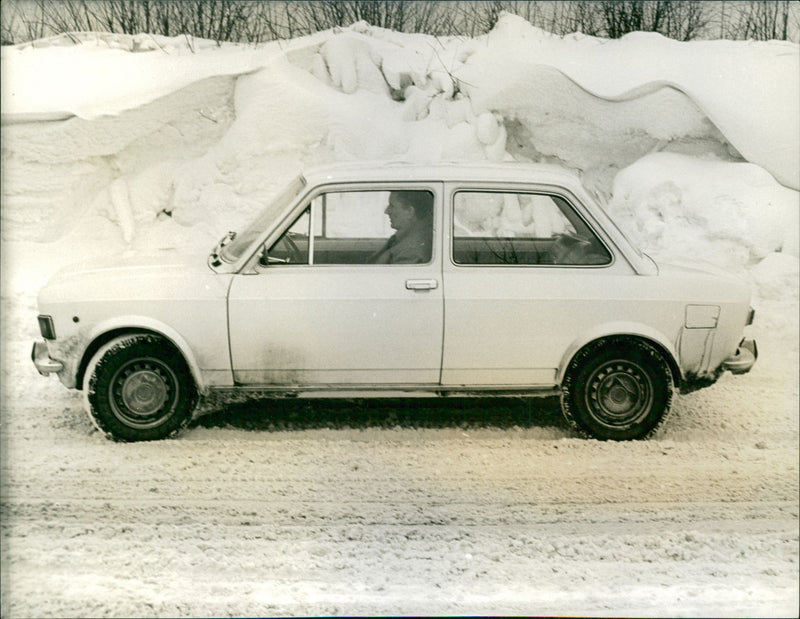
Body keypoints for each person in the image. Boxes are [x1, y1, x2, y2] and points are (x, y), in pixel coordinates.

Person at [370, 191, 433, 264]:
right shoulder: (405, 235)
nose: (387, 211)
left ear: (409, 212)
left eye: (392, 206)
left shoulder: (410, 253)